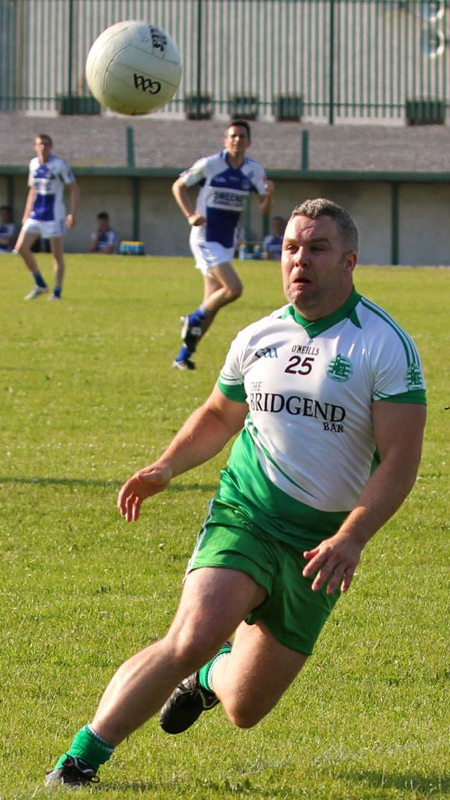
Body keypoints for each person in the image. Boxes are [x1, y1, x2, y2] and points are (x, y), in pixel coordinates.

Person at [45, 198, 426, 787]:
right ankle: (80, 761)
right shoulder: (257, 335)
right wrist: (167, 467)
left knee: (245, 709)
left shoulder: (384, 345)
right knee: (192, 636)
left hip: (318, 547)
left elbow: (401, 461)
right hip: (246, 514)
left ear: (350, 261)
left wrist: (352, 538)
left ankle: (204, 681)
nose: (299, 259)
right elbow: (220, 415)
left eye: (317, 248)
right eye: (291, 247)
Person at [171, 119, 274, 371]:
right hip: (205, 237)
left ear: (249, 142)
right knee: (234, 288)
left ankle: (183, 356)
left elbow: (265, 210)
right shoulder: (210, 164)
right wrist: (190, 215)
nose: (237, 140)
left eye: (241, 136)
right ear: (225, 140)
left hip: (227, 241)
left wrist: (270, 195)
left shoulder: (254, 171)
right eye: (233, 136)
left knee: (212, 304)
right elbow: (178, 186)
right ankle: (192, 317)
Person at [14, 134, 79, 300]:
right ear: (35, 147)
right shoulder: (33, 164)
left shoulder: (59, 165)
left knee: (56, 254)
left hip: (54, 215)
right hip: (36, 214)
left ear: (51, 146)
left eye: (46, 144)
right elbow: (33, 189)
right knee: (21, 248)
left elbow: (74, 188)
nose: (42, 147)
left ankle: (57, 291)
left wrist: (73, 212)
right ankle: (40, 284)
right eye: (39, 144)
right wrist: (26, 211)